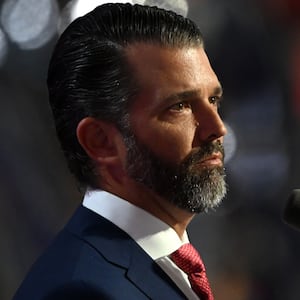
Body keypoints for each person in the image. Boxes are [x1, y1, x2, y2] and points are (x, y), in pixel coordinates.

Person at [13, 3, 227, 300]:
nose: (216, 127)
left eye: (213, 100)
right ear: (100, 141)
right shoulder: (81, 291)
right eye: (180, 106)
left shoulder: (161, 258)